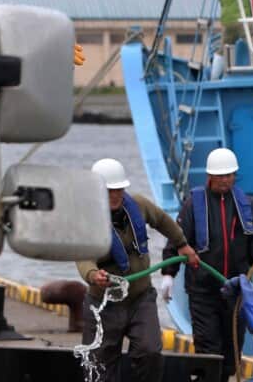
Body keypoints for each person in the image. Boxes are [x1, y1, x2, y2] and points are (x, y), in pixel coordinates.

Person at [77, 158, 200, 382]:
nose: (115, 195)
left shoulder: (140, 205)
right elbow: (83, 258)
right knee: (99, 366)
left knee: (150, 351)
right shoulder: (87, 220)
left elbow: (163, 221)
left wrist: (182, 244)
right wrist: (94, 275)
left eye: (118, 190)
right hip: (103, 304)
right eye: (108, 191)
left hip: (140, 299)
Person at [161, 148, 253, 380]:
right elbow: (177, 239)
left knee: (231, 357)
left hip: (236, 291)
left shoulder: (246, 207)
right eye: (220, 175)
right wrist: (168, 274)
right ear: (210, 176)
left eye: (230, 175)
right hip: (203, 292)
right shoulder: (193, 206)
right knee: (209, 353)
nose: (225, 180)